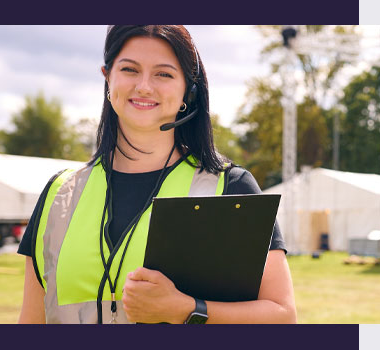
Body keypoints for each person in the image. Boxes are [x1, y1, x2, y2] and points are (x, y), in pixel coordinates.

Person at [16, 25, 295, 324]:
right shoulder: (59, 193)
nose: (144, 86)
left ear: (188, 89)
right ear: (107, 76)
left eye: (163, 74)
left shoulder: (230, 187)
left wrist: (187, 308)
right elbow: (31, 321)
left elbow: (283, 317)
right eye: (130, 69)